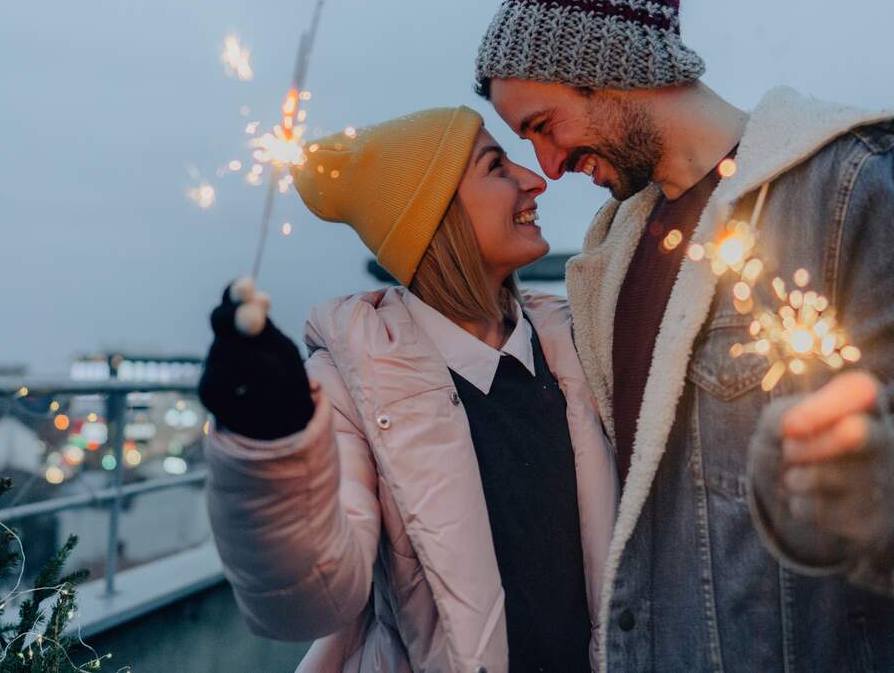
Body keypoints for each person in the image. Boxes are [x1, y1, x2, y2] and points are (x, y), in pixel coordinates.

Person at [472, 0, 894, 671]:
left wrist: (880, 500)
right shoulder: (612, 254)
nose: (548, 165)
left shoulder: (848, 185)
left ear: (610, 67)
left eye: (544, 123)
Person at [198, 106, 618, 672]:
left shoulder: (580, 345)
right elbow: (307, 603)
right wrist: (271, 443)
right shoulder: (346, 386)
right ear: (434, 217)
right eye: (496, 167)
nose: (534, 180)